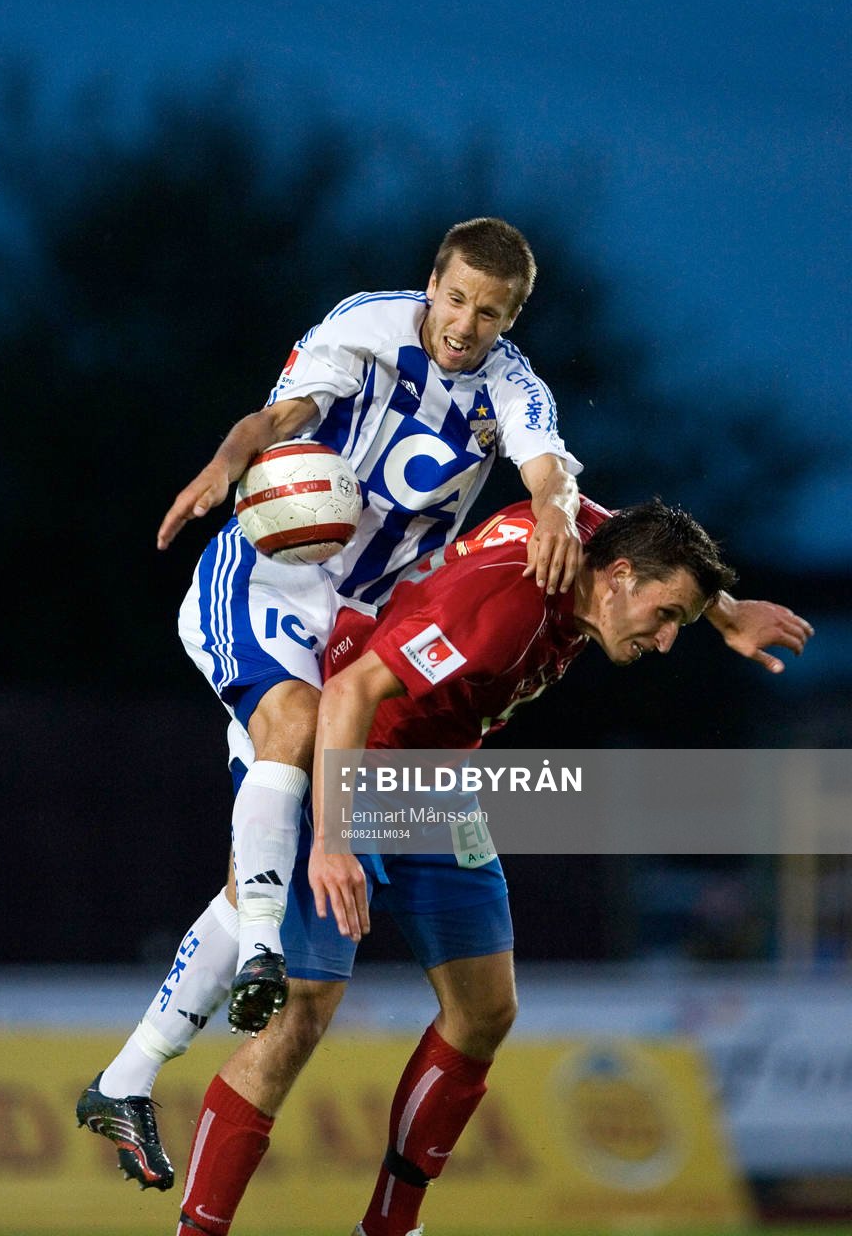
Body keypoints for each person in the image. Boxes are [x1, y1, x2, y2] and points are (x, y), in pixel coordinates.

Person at [98, 494, 808, 1236]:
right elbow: (350, 691)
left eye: (680, 625)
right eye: (667, 617)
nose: (666, 641)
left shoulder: (591, 539)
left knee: (486, 1010)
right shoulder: (505, 607)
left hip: (432, 782)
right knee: (301, 1011)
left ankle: (389, 1226)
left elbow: (643, 529)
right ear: (619, 577)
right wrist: (335, 840)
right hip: (351, 759)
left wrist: (725, 612)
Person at [155, 217, 584, 1039]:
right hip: (270, 575)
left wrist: (556, 512)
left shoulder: (516, 387)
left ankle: (132, 1073)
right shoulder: (367, 326)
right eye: (455, 299)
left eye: (489, 314)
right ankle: (259, 956)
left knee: (284, 807)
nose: (465, 325)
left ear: (511, 319)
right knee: (292, 738)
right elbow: (283, 418)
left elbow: (546, 466)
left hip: (363, 621)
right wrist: (227, 457)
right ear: (433, 283)